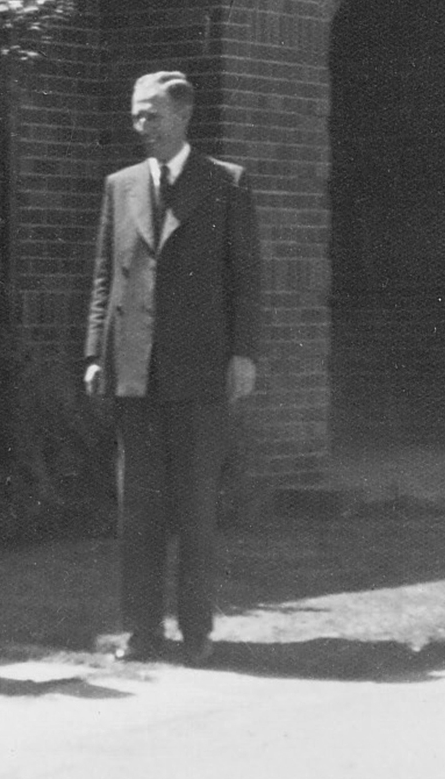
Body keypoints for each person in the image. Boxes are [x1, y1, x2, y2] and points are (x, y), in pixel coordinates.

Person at [84, 71, 260, 668]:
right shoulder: (120, 185)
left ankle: (197, 632)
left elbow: (245, 278)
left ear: (183, 115)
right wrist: (94, 354)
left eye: (152, 114)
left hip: (201, 368)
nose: (141, 124)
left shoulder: (226, 184)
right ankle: (140, 632)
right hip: (135, 368)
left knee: (194, 506)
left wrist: (243, 354)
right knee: (139, 505)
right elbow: (105, 278)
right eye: (136, 114)